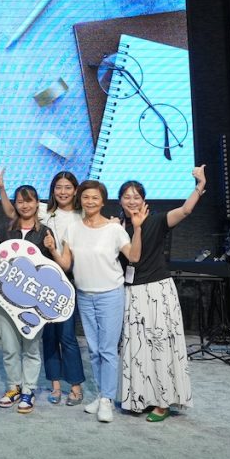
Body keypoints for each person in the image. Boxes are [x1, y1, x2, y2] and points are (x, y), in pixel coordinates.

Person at [118, 167, 204, 422]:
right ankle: (140, 398)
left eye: (136, 197)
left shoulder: (156, 221)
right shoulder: (117, 227)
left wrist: (199, 185)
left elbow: (185, 210)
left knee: (160, 347)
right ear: (120, 201)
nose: (132, 201)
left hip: (157, 290)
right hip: (132, 292)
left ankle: (163, 402)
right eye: (126, 196)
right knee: (137, 348)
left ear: (144, 200)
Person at [0, 170, 87, 406]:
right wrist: (2, 188)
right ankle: (53, 386)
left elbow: (98, 219)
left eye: (68, 187)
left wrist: (115, 222)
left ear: (75, 190)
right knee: (46, 339)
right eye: (58, 187)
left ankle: (74, 386)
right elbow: (13, 211)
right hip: (27, 292)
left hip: (65, 282)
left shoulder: (81, 214)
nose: (63, 192)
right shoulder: (47, 212)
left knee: (67, 337)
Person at [71, 180, 145, 423]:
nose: (90, 201)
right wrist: (52, 248)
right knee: (94, 350)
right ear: (80, 200)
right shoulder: (73, 228)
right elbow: (67, 262)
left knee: (107, 350)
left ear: (103, 201)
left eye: (95, 197)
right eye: (85, 197)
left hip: (110, 294)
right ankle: (102, 394)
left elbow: (134, 256)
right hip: (84, 295)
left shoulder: (114, 229)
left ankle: (107, 400)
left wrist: (137, 229)